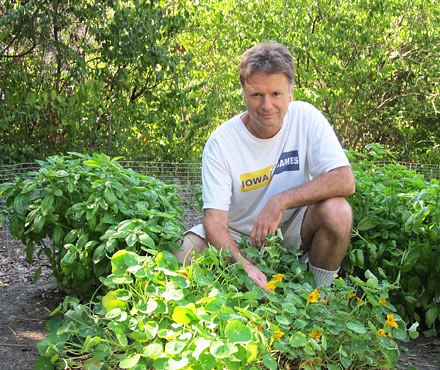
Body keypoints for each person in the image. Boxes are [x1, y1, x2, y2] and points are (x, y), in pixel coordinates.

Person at [175, 41, 355, 293]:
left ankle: (320, 297)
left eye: (276, 94)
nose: (266, 105)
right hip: (236, 235)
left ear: (291, 92)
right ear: (244, 94)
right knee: (183, 251)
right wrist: (243, 266)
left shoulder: (306, 117)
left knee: (338, 211)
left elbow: (344, 180)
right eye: (256, 95)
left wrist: (279, 202)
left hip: (292, 229)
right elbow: (214, 221)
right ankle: (234, 286)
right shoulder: (221, 142)